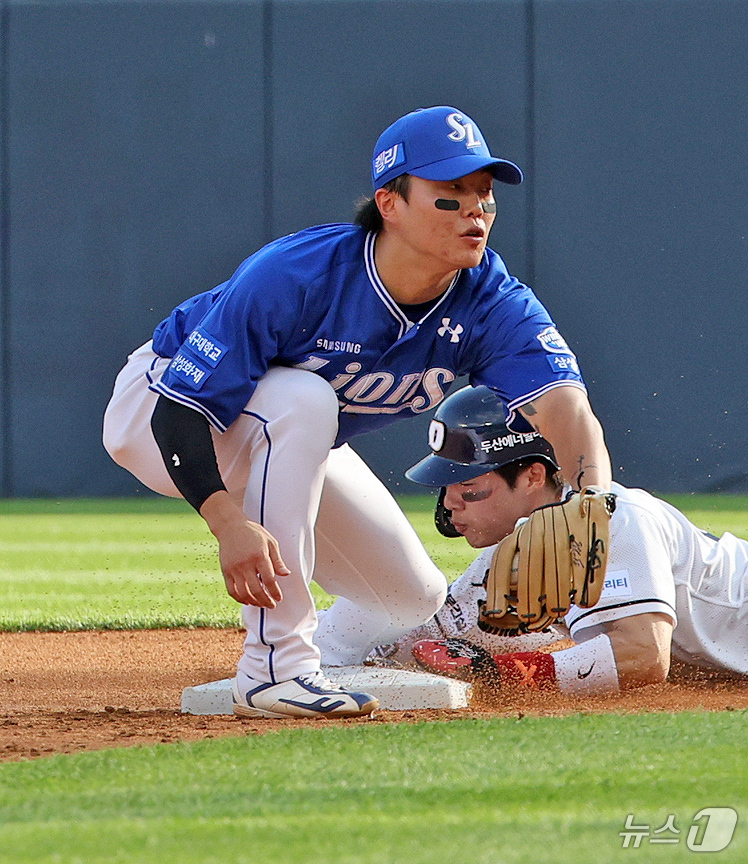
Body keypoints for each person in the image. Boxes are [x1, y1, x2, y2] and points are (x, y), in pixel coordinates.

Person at [102, 105, 611, 719]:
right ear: (390, 203)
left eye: (484, 192)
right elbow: (181, 414)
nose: (476, 208)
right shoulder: (298, 274)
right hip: (159, 410)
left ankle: (327, 657)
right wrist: (226, 522)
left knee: (407, 597)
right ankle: (274, 668)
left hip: (289, 434)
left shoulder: (492, 301)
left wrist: (589, 502)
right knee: (305, 399)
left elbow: (565, 408)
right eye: (451, 191)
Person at [372, 385, 748, 694]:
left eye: (468, 485)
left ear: (534, 477)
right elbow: (422, 631)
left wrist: (498, 674)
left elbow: (644, 656)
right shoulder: (515, 548)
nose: (451, 502)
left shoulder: (616, 520)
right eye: (447, 484)